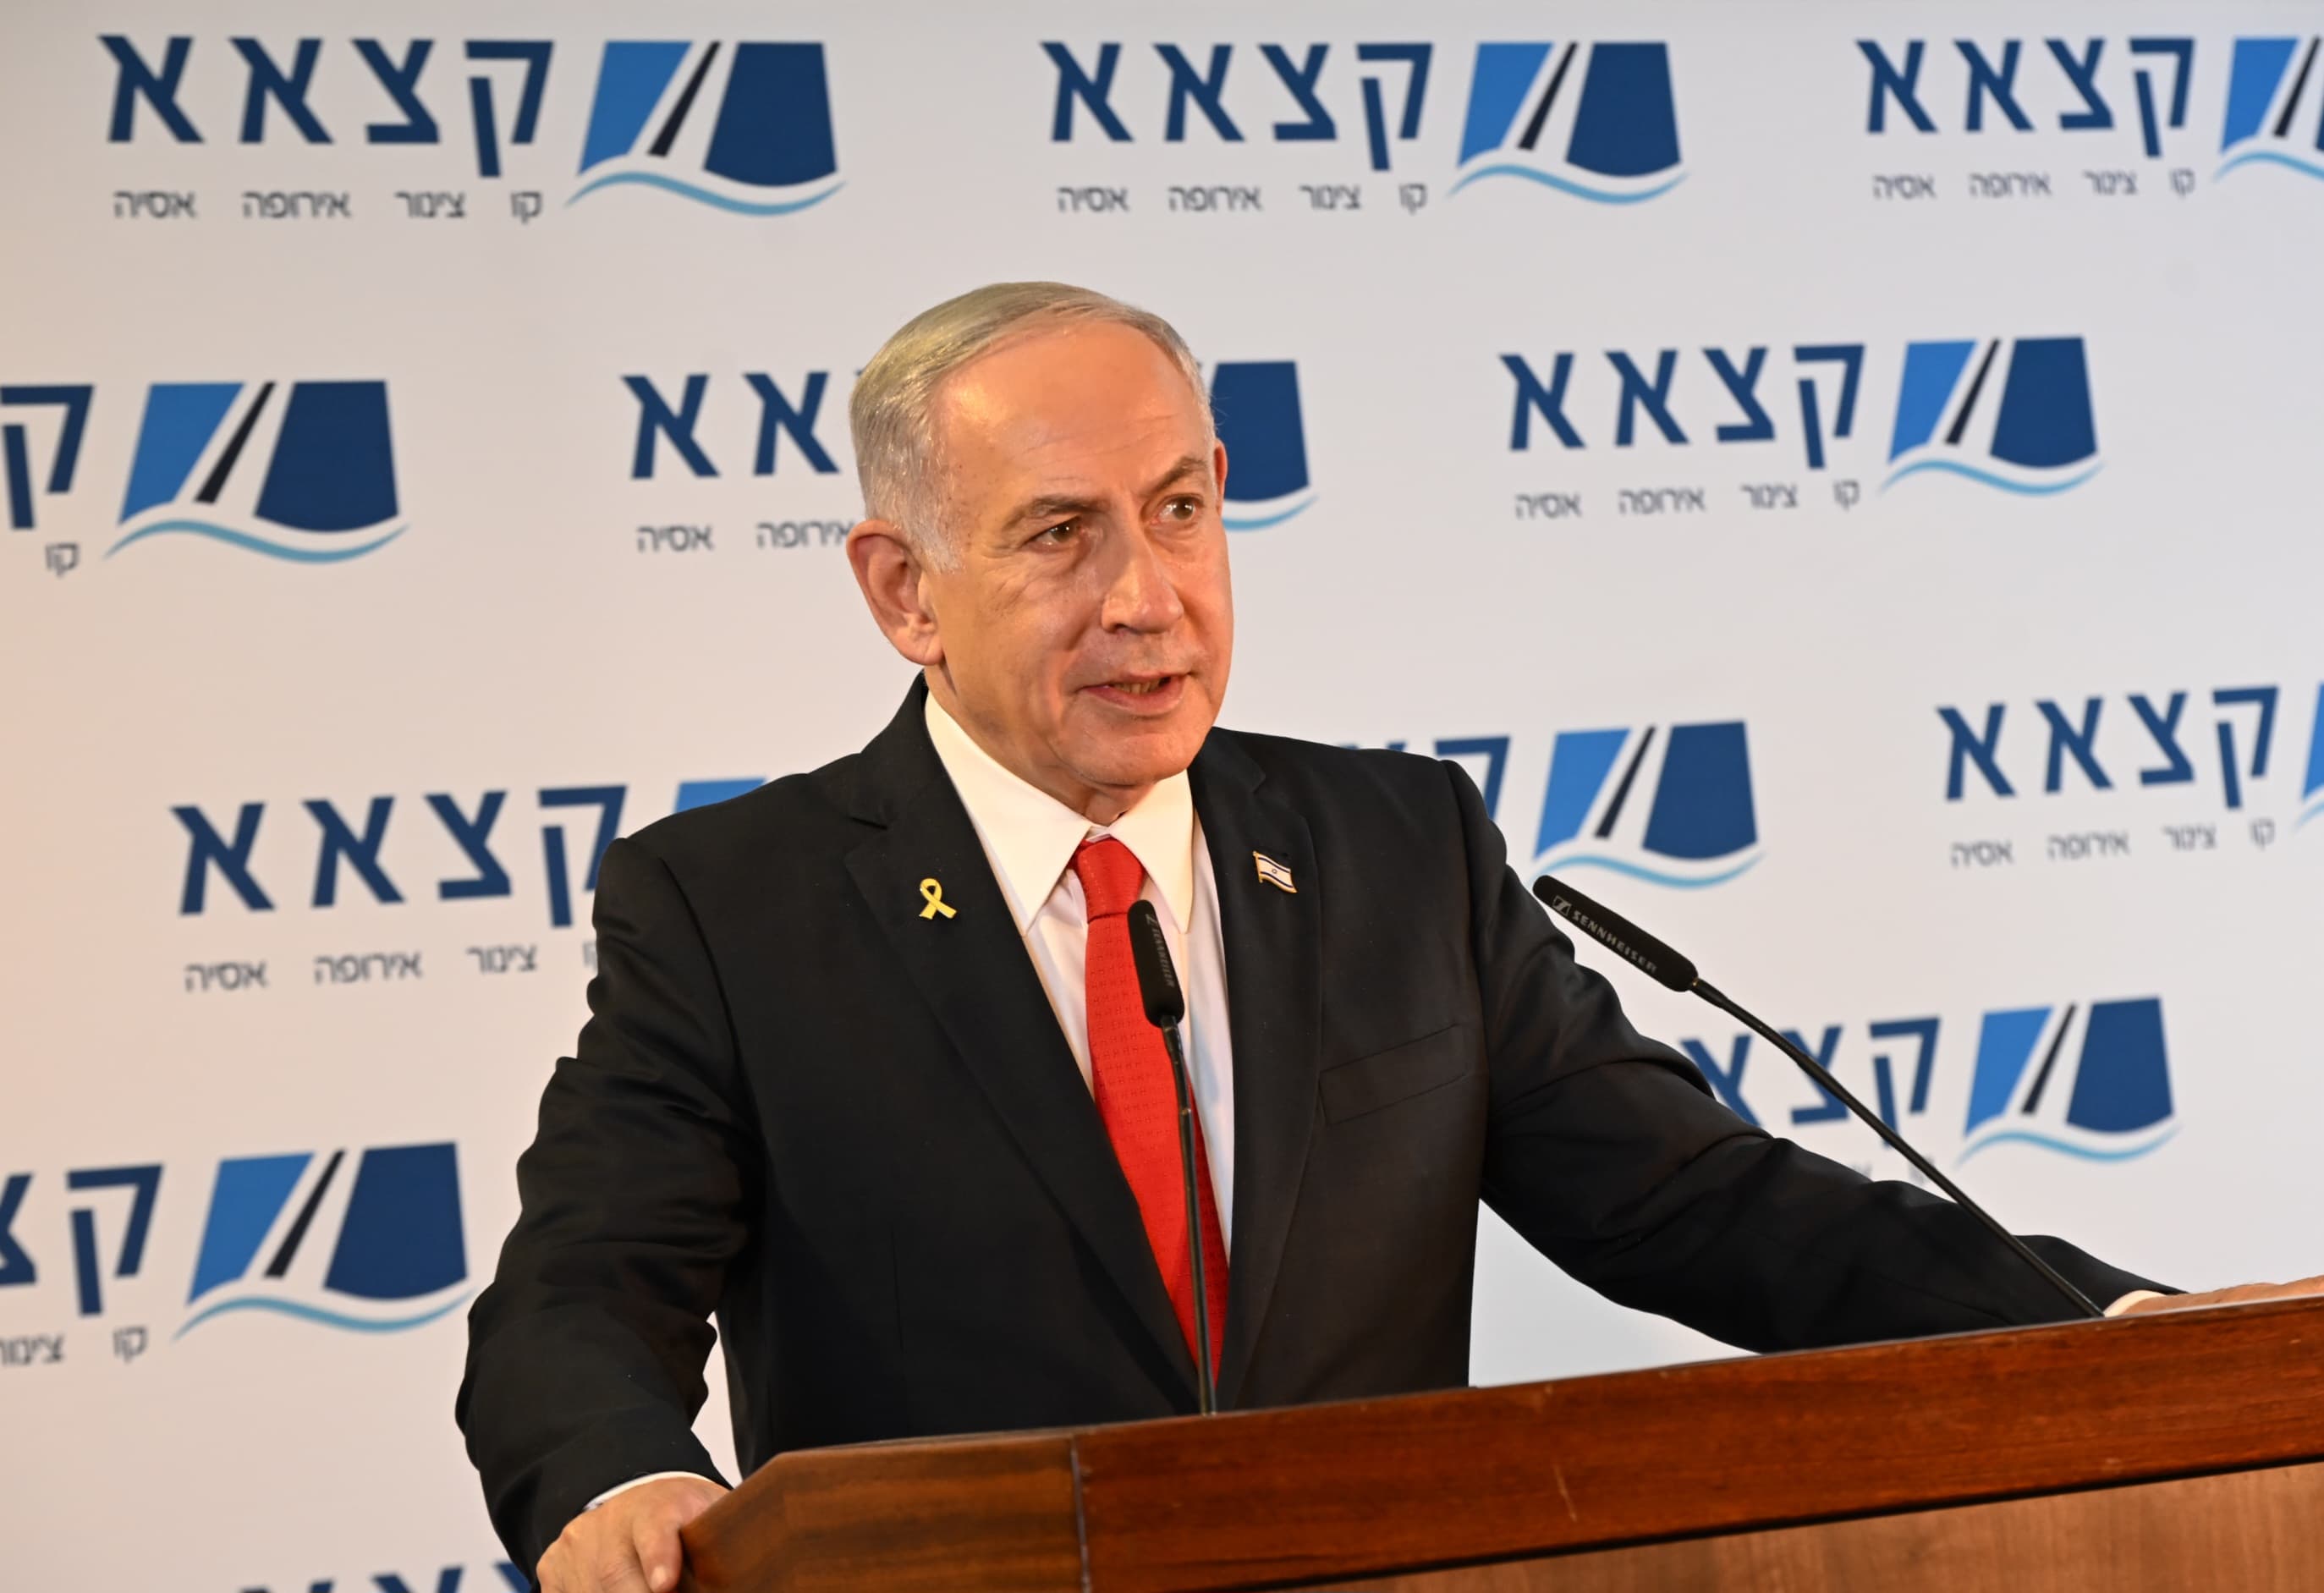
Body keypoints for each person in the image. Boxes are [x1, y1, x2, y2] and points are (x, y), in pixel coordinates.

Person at [458, 283, 2316, 1593]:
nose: (1148, 595)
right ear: (902, 592)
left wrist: (2117, 1337)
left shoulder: (1393, 847)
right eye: (1059, 535)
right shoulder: (738, 905)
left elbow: (1703, 1204)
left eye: (1182, 510)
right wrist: (620, 1474)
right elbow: (581, 1291)